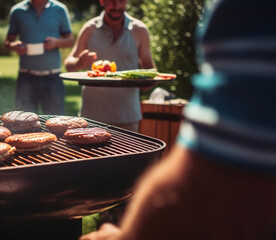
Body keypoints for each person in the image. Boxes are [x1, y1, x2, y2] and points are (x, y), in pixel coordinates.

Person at [79, 0, 276, 239]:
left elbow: (223, 176)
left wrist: (130, 235)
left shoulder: (247, 11)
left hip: (127, 111)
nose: (116, 4)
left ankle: (116, 214)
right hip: (94, 111)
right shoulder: (89, 28)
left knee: (123, 173)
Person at [64, 0, 155, 132]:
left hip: (127, 116)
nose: (117, 6)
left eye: (121, 1)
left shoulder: (139, 30)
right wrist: (78, 63)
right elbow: (68, 64)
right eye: (112, 1)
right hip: (92, 116)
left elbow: (150, 71)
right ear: (102, 1)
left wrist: (144, 82)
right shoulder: (90, 28)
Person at [4, 0, 74, 115]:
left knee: (56, 122)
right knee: (23, 123)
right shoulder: (17, 11)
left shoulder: (60, 9)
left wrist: (56, 42)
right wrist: (14, 45)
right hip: (26, 78)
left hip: (53, 78)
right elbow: (7, 42)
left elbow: (70, 40)